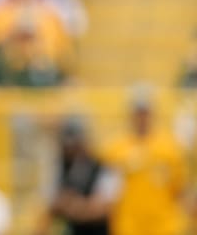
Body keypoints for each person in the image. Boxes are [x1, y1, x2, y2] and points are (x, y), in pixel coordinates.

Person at [101, 83, 190, 235]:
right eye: (138, 112)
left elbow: (180, 190)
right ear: (130, 114)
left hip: (164, 227)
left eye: (145, 112)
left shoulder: (170, 148)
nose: (141, 117)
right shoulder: (115, 150)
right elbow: (108, 193)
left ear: (152, 113)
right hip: (128, 227)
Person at [34, 117, 117, 235]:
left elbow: (104, 208)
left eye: (76, 146)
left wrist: (75, 206)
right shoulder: (61, 165)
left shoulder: (102, 166)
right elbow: (50, 203)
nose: (72, 151)